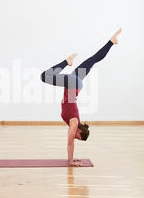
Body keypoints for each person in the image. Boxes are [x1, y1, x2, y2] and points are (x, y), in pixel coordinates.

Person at [40, 29, 122, 166]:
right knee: (44, 77)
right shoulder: (74, 124)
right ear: (79, 132)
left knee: (93, 60)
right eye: (78, 137)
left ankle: (111, 42)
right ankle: (67, 61)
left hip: (76, 83)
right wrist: (71, 161)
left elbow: (72, 142)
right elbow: (70, 143)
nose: (75, 137)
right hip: (73, 84)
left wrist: (72, 158)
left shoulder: (75, 122)